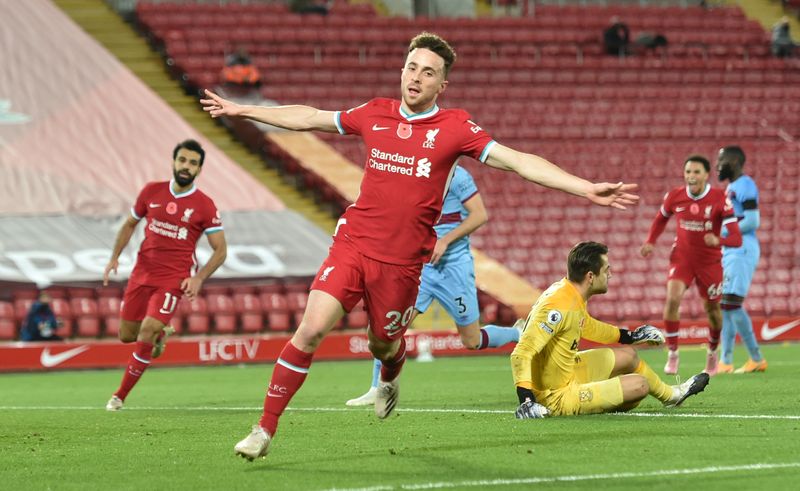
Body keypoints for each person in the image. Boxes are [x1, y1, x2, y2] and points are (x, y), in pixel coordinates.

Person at [201, 32, 639, 461]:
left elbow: (517, 161)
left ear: (441, 85)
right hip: (353, 244)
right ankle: (264, 429)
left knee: (384, 346)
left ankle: (390, 373)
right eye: (411, 67)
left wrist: (584, 188)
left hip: (403, 266)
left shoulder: (454, 127)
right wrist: (241, 109)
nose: (416, 77)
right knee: (311, 329)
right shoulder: (375, 112)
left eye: (428, 73)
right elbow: (311, 116)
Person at [345, 164, 522, 407]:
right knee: (392, 325)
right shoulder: (414, 173)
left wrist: (445, 241)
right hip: (421, 268)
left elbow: (480, 215)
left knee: (471, 340)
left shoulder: (459, 176)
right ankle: (378, 387)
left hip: (454, 267)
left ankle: (518, 333)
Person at [512, 241, 710, 419]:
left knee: (629, 356)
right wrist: (527, 400)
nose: (610, 275)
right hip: (554, 396)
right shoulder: (559, 305)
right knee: (640, 385)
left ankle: (672, 396)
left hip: (567, 373)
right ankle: (590, 402)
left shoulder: (568, 293)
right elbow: (521, 353)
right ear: (590, 276)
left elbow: (586, 325)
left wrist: (630, 336)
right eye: (606, 270)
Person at [103, 139, 227, 411]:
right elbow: (129, 225)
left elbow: (220, 251)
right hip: (141, 274)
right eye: (182, 160)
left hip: (173, 279)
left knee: (146, 329)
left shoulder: (204, 205)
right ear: (173, 162)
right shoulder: (151, 192)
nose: (186, 166)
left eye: (193, 163)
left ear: (199, 170)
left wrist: (198, 278)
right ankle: (159, 337)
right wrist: (114, 257)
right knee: (127, 335)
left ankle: (119, 396)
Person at [640, 155, 742, 377]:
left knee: (713, 311)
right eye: (688, 172)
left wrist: (719, 241)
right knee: (672, 299)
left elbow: (737, 238)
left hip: (710, 261)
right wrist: (650, 241)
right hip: (682, 258)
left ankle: (713, 352)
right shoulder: (675, 196)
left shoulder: (719, 198)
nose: (691, 176)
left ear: (706, 175)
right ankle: (673, 353)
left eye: (696, 172)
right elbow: (660, 219)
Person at [716, 146, 766, 374]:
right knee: (725, 305)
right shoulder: (731, 187)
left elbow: (753, 221)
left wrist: (723, 234)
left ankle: (756, 357)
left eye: (722, 160)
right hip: (732, 250)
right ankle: (725, 361)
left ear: (734, 161)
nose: (718, 164)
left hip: (742, 248)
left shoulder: (745, 185)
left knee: (731, 303)